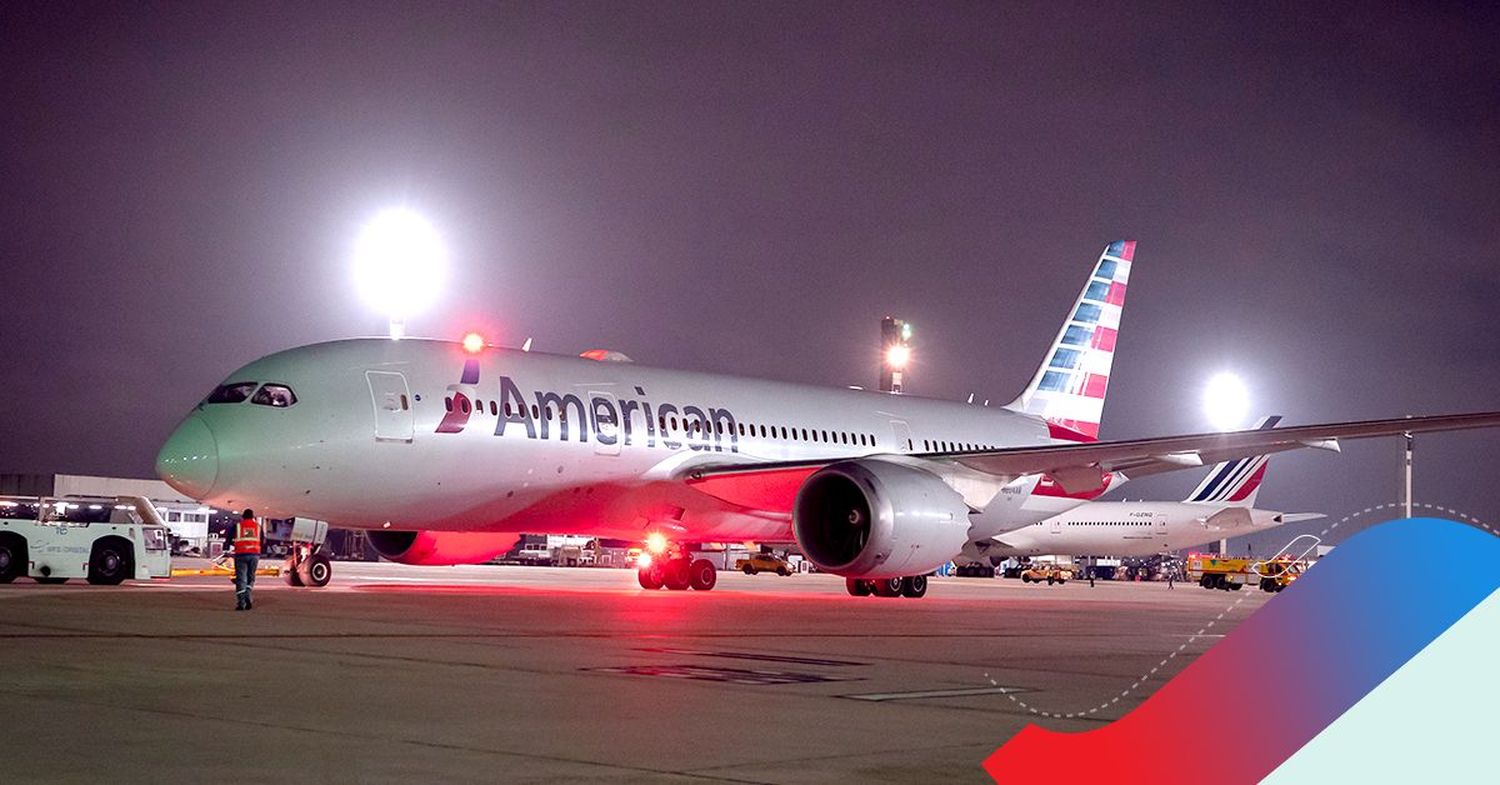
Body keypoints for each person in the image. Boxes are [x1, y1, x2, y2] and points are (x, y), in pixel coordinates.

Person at [228, 509, 262, 611]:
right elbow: (263, 541)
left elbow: (229, 539)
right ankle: (248, 595)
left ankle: (241, 603)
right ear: (253, 517)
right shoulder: (258, 527)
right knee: (251, 577)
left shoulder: (237, 526)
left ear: (243, 516)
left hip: (241, 554)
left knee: (241, 579)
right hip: (254, 555)